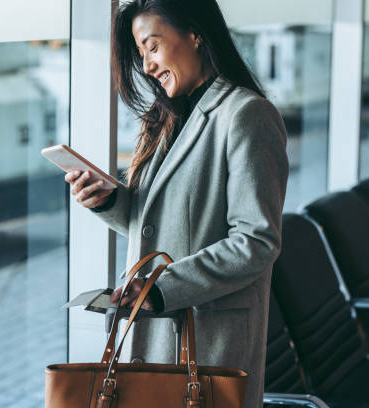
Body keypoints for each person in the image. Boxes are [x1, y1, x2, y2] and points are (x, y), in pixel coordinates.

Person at [65, 0, 288, 406]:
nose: (147, 66)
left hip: (208, 344)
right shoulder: (165, 117)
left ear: (195, 34)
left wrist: (162, 289)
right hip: (154, 338)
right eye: (141, 53)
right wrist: (110, 201)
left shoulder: (246, 115)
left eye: (152, 46)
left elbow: (256, 241)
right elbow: (160, 223)